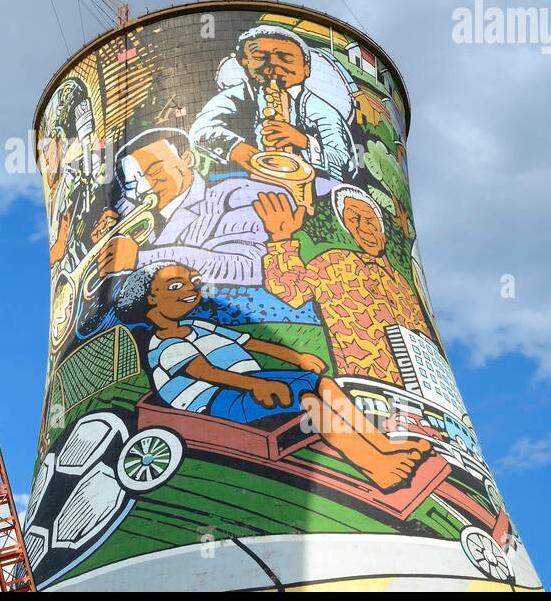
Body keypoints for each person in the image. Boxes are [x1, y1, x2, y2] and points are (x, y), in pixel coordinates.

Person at [114, 260, 431, 492]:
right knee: (309, 402)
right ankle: (374, 467)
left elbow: (251, 342)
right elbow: (205, 372)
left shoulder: (199, 326)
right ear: (150, 299)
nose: (189, 289)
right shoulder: (164, 343)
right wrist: (257, 383)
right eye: (174, 286)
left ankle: (383, 446)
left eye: (191, 281)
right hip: (215, 400)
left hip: (249, 380)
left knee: (323, 384)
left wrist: (297, 358)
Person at [259, 185, 433, 384]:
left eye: (369, 220)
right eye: (353, 220)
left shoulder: (403, 285)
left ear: (382, 229)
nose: (362, 227)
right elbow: (290, 291)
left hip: (418, 393)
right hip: (364, 386)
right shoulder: (336, 262)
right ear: (347, 227)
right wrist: (281, 238)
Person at [89, 127, 285, 287]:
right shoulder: (137, 218)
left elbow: (250, 265)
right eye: (132, 184)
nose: (143, 187)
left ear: (186, 158)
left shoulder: (234, 193)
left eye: (154, 170)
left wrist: (140, 258)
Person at [191, 25, 354, 180]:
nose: (273, 64)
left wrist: (303, 141)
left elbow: (343, 161)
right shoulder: (233, 97)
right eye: (261, 57)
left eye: (286, 58)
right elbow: (201, 130)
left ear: (306, 69)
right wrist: (236, 148)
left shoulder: (323, 111)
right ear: (243, 61)